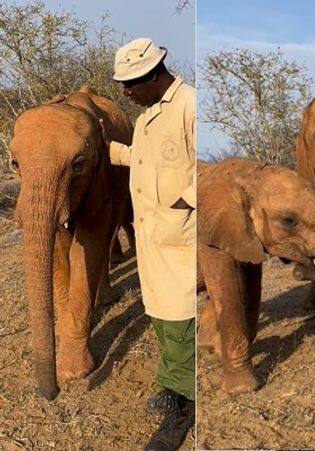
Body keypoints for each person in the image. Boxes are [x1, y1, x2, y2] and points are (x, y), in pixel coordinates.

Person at [100, 38, 197, 449]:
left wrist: (181, 205)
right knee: (161, 319)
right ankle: (174, 389)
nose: (125, 92)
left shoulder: (192, 106)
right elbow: (143, 157)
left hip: (179, 242)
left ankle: (187, 408)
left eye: (130, 84)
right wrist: (107, 147)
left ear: (154, 74)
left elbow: (209, 172)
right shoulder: (147, 117)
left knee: (180, 324)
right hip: (155, 243)